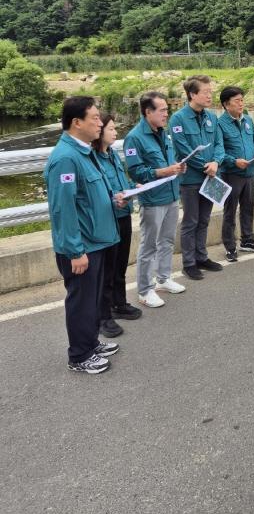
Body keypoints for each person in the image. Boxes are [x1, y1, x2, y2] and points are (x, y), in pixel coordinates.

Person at [44, 97, 121, 374]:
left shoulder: (84, 152)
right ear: (77, 122)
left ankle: (90, 342)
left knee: (92, 298)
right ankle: (79, 355)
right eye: (95, 118)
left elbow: (86, 197)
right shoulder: (66, 158)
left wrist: (112, 200)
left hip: (96, 241)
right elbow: (62, 210)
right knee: (81, 300)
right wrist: (75, 250)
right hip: (82, 246)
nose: (100, 123)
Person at [124, 91, 187, 308]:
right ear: (147, 112)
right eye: (162, 111)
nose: (166, 114)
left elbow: (168, 162)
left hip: (171, 195)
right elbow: (136, 172)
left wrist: (177, 168)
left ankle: (163, 278)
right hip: (153, 199)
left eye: (167, 111)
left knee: (167, 240)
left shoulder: (163, 132)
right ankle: (144, 290)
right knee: (149, 245)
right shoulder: (134, 137)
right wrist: (164, 171)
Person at [169, 75, 225, 278]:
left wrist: (216, 162)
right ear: (192, 94)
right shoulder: (178, 119)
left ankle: (202, 257)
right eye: (206, 92)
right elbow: (183, 150)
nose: (210, 95)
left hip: (210, 176)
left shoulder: (211, 117)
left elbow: (220, 143)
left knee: (204, 219)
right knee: (191, 221)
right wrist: (205, 166)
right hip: (191, 180)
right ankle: (189, 262)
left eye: (211, 91)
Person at [92, 112, 142, 337]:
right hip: (107, 218)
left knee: (120, 265)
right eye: (111, 129)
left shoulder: (112, 154)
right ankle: (104, 316)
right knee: (106, 269)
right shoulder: (92, 157)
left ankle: (119, 303)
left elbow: (121, 181)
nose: (115, 132)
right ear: (99, 131)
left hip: (123, 215)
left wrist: (134, 187)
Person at [218, 86, 254, 261]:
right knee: (229, 211)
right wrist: (234, 161)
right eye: (237, 101)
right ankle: (230, 246)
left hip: (249, 172)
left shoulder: (246, 120)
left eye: (242, 100)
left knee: (248, 208)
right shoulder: (220, 124)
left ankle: (248, 240)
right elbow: (219, 151)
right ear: (226, 104)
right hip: (231, 174)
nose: (241, 103)